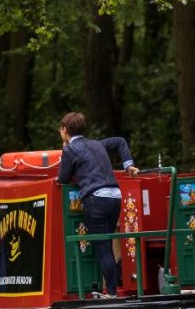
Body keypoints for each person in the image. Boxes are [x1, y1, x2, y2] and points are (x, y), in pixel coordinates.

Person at [56, 112, 139, 298]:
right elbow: (119, 141)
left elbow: (63, 178)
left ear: (64, 130)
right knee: (106, 246)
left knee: (102, 248)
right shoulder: (97, 144)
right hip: (115, 196)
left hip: (96, 199)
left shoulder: (70, 150)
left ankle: (110, 293)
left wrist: (64, 149)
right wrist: (128, 165)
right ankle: (109, 288)